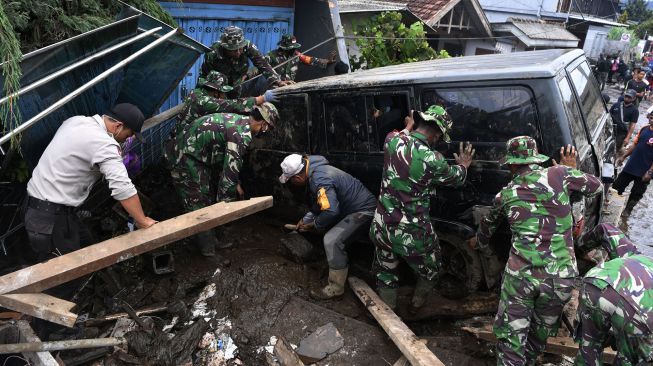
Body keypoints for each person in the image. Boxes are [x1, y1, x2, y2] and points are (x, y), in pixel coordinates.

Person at [469, 137, 603, 366]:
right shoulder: (559, 174)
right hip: (561, 279)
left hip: (521, 278)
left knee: (511, 342)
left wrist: (477, 242)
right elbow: (597, 186)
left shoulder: (505, 194)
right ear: (535, 159)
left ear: (511, 165)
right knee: (537, 338)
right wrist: (571, 172)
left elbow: (487, 227)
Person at [24, 103, 157, 293]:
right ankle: (46, 322)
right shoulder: (104, 144)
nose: (129, 139)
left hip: (38, 205)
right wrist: (142, 221)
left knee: (87, 248)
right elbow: (122, 188)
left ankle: (81, 298)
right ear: (117, 126)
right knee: (62, 278)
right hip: (50, 218)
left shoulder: (76, 121)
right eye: (128, 134)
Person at [369, 105, 475, 313]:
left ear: (419, 121)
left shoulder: (392, 140)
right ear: (437, 134)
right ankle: (417, 304)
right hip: (413, 234)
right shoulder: (433, 160)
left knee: (386, 273)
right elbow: (457, 178)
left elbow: (400, 133)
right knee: (432, 269)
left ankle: (387, 316)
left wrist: (408, 126)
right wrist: (463, 165)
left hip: (382, 227)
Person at [164, 103, 279, 258]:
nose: (265, 132)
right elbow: (227, 181)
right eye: (267, 129)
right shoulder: (240, 136)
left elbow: (227, 162)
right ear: (263, 124)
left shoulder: (240, 122)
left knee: (207, 195)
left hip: (196, 155)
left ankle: (212, 239)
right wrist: (227, 210)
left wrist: (236, 182)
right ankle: (208, 249)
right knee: (198, 202)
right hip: (184, 157)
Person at [278, 154, 376, 300]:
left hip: (364, 211)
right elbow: (323, 202)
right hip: (352, 208)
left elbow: (331, 211)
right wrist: (307, 218)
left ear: (297, 178)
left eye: (290, 181)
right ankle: (338, 262)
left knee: (331, 240)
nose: (292, 184)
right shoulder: (315, 168)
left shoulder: (319, 180)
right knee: (331, 232)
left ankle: (336, 288)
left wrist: (315, 225)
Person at [573, 223, 653, 366]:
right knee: (628, 359)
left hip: (596, 281)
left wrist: (578, 250)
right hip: (637, 315)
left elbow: (604, 228)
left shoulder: (635, 257)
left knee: (589, 347)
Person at [177, 70, 278, 133]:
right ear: (216, 92)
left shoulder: (196, 93)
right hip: (184, 139)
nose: (223, 96)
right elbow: (230, 104)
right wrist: (260, 99)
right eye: (222, 93)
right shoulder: (202, 100)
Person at [199, 26, 286, 96]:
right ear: (224, 47)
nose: (238, 52)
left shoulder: (248, 46)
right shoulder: (213, 53)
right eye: (233, 50)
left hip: (238, 85)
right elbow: (205, 76)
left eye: (240, 48)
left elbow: (263, 65)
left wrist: (278, 81)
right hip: (219, 88)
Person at [614, 109, 653, 217]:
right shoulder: (644, 129)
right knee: (617, 186)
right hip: (632, 165)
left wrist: (649, 172)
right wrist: (624, 156)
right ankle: (614, 205)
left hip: (646, 170)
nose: (652, 120)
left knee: (637, 192)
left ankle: (627, 211)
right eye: (651, 117)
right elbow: (635, 144)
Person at [266, 34, 336, 83]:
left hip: (289, 86)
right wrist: (255, 70)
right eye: (292, 48)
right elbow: (261, 65)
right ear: (284, 48)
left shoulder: (297, 55)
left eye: (295, 47)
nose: (294, 49)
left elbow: (310, 60)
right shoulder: (272, 55)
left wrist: (327, 61)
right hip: (275, 86)